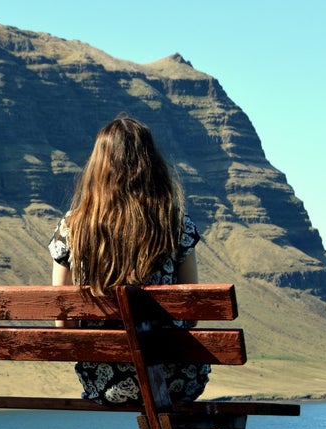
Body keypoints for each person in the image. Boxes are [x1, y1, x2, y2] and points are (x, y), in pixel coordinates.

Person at [48, 114, 210, 405]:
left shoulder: (71, 228)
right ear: (152, 165)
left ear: (98, 167)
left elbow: (63, 324)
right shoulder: (176, 224)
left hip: (105, 382)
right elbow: (192, 315)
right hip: (172, 381)